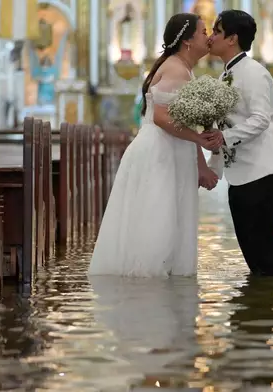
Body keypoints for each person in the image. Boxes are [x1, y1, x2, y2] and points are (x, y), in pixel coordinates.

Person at [88, 13, 222, 277]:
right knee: (157, 219)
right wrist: (199, 140)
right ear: (187, 41)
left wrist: (200, 163)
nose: (207, 38)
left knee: (166, 218)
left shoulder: (182, 67)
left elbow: (185, 121)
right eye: (203, 32)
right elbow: (162, 117)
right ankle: (151, 294)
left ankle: (164, 287)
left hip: (170, 149)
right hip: (160, 152)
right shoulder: (175, 68)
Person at [206, 10, 273, 276]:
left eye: (217, 32)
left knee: (261, 247)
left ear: (232, 39)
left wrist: (224, 138)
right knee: (250, 250)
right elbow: (222, 127)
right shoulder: (224, 77)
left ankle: (267, 309)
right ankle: (258, 309)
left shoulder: (254, 73)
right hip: (239, 175)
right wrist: (213, 169)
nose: (211, 37)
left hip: (262, 171)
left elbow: (261, 119)